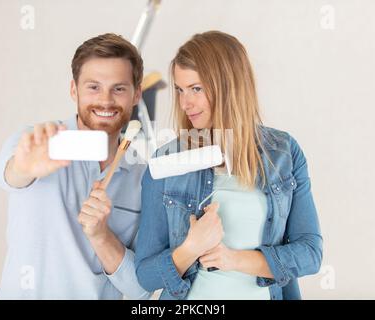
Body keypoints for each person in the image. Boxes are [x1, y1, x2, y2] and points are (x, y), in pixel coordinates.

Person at [135, 31, 323, 300]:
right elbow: (145, 274)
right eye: (180, 90)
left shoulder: (283, 153)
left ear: (229, 86)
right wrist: (190, 248)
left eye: (196, 89)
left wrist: (233, 259)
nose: (185, 103)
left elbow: (310, 253)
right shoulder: (167, 162)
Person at [0, 33, 150, 299]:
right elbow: (8, 176)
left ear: (136, 94)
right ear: (73, 90)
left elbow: (140, 290)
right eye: (93, 87)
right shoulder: (36, 142)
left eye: (119, 88)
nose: (106, 100)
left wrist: (102, 236)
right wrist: (23, 168)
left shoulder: (143, 177)